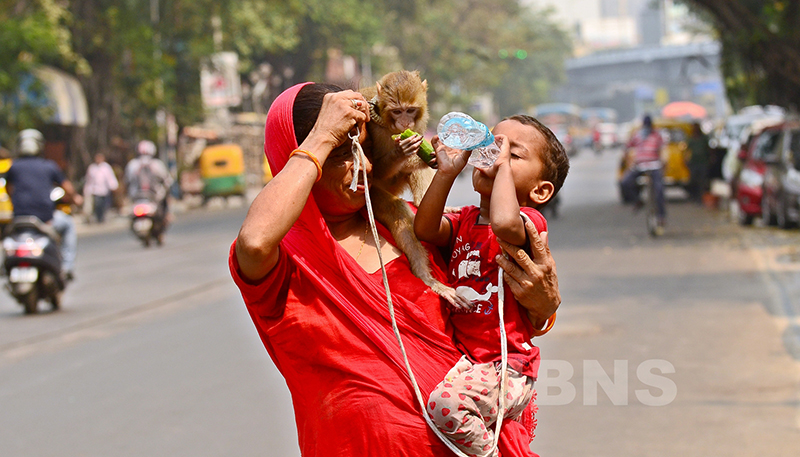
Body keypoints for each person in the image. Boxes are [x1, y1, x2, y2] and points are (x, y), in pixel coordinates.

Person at [229, 82, 562, 457]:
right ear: (300, 159)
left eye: (365, 148)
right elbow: (254, 240)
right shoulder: (285, 260)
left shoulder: (412, 228)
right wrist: (323, 135)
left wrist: (544, 306)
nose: (364, 166)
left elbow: (494, 293)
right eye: (342, 153)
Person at [414, 115, 569, 457]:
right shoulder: (465, 219)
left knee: (445, 404)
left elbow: (502, 221)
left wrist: (498, 169)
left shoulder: (528, 222)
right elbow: (424, 229)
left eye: (514, 154)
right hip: (469, 363)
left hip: (508, 366)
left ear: (540, 190)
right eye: (492, 144)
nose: (495, 154)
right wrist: (446, 172)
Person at [5, 128, 83, 280]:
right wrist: (76, 199)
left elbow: (9, 190)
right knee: (68, 225)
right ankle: (67, 267)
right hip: (46, 219)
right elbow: (68, 188)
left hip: (20, 220)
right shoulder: (49, 166)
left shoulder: (14, 167)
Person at [620, 115, 666, 229]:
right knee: (625, 182)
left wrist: (664, 163)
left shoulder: (657, 135)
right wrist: (627, 161)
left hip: (654, 165)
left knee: (659, 189)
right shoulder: (637, 135)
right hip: (640, 165)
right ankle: (638, 201)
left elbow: (663, 150)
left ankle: (661, 216)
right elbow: (627, 147)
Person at [124, 140, 172, 215]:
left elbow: (127, 181)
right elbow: (167, 180)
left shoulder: (132, 165)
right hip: (154, 196)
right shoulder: (157, 164)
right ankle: (167, 215)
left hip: (137, 196)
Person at [83, 152, 119, 223]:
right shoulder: (92, 168)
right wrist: (87, 189)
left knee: (104, 205)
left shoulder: (106, 167)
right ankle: (98, 217)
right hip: (96, 191)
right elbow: (89, 180)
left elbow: (110, 177)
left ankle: (102, 217)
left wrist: (114, 186)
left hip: (105, 190)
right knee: (97, 204)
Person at [686, 122, 710, 203]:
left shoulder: (704, 138)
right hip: (693, 163)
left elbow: (708, 149)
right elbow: (687, 150)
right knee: (693, 181)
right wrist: (686, 160)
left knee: (702, 181)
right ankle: (694, 196)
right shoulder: (691, 139)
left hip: (703, 162)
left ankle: (700, 197)